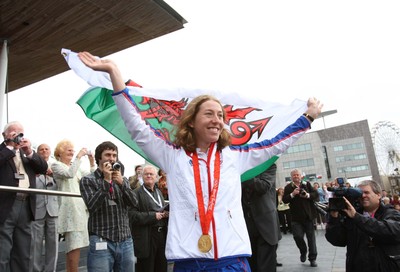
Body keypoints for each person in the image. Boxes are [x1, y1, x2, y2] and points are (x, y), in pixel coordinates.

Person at [78, 51, 322, 271]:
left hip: (232, 260)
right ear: (191, 121)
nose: (217, 120)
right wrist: (115, 74)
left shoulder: (235, 157)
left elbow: (277, 143)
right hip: (189, 262)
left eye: (220, 115)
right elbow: (137, 127)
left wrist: (308, 117)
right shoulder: (173, 156)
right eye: (209, 113)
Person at [80, 141, 137, 271]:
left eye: (114, 155)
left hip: (125, 240)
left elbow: (134, 203)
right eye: (107, 155)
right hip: (101, 239)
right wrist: (106, 181)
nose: (111, 158)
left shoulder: (122, 179)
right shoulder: (88, 180)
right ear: (99, 157)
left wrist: (122, 184)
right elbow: (92, 206)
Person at [0, 121, 48, 271]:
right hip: (6, 205)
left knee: (24, 252)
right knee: (3, 251)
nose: (18, 136)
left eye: (20, 133)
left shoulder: (26, 153)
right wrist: (9, 147)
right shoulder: (3, 151)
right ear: (4, 135)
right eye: (13, 133)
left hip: (26, 205)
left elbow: (43, 167)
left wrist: (29, 152)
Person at [325, 180, 400, 272]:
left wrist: (356, 217)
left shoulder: (391, 213)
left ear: (378, 195)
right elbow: (338, 240)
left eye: (366, 192)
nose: (363, 196)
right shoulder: (351, 215)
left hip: (386, 267)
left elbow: (390, 231)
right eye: (360, 193)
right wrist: (333, 217)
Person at [51, 139, 96, 272]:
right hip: (69, 211)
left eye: (73, 150)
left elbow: (92, 177)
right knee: (73, 247)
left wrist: (92, 161)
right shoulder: (56, 165)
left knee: (77, 246)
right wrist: (78, 157)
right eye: (68, 149)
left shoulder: (75, 167)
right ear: (59, 153)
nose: (72, 151)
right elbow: (69, 174)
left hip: (80, 210)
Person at [241, 163, 282, 272]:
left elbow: (263, 187)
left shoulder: (268, 165)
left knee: (266, 266)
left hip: (266, 225)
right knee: (251, 265)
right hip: (245, 226)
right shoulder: (240, 166)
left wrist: (243, 175)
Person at [129, 165, 169, 272]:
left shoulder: (159, 192)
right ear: (142, 176)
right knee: (146, 268)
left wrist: (165, 214)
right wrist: (153, 216)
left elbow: (160, 207)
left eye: (152, 174)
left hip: (161, 235)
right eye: (146, 174)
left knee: (161, 267)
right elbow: (132, 216)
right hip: (146, 237)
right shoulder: (136, 193)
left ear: (156, 177)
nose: (149, 176)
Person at [31, 143, 59, 272]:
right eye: (41, 149)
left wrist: (54, 175)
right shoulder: (32, 166)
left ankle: (50, 270)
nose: (44, 151)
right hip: (37, 210)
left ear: (50, 151)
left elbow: (63, 185)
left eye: (46, 149)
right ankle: (35, 270)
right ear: (37, 152)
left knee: (53, 244)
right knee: (35, 244)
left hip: (53, 210)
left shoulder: (56, 166)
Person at [282, 169, 319, 267]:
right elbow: (284, 200)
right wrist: (292, 194)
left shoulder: (306, 184)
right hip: (295, 217)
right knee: (297, 237)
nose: (296, 176)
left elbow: (316, 194)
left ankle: (312, 259)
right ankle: (303, 251)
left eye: (297, 175)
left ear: (301, 176)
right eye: (294, 175)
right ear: (291, 177)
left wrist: (307, 195)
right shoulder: (288, 187)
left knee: (311, 239)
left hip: (308, 216)